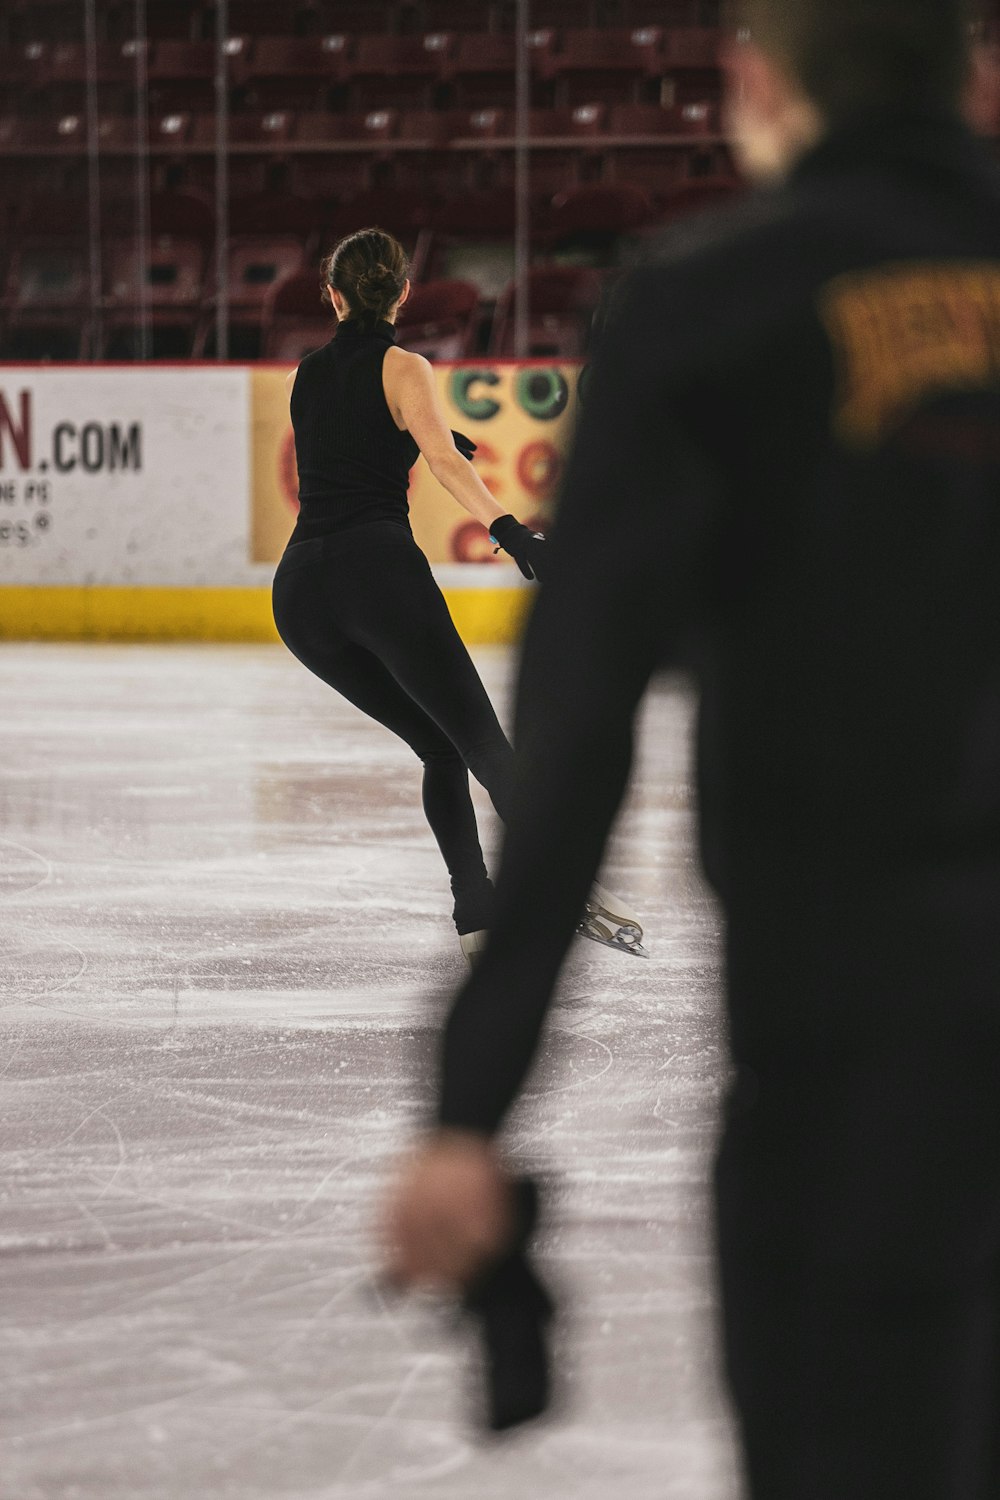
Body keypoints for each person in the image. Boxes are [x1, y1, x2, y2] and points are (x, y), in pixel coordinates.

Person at [382, 2, 1000, 1496]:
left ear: (756, 84)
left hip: (842, 1062)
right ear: (979, 83)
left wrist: (476, 1099)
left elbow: (582, 719)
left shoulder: (711, 301)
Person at [272, 228, 646, 963]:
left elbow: (347, 445)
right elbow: (438, 458)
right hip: (373, 572)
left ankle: (476, 909)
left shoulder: (307, 373)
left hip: (300, 596)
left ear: (333, 293)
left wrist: (425, 431)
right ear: (404, 293)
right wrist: (512, 531)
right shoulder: (405, 364)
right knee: (479, 741)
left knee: (438, 747)